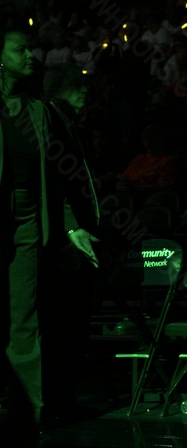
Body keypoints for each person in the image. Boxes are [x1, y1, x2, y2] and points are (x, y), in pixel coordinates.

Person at [0, 28, 98, 445]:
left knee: (24, 319)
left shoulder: (37, 111)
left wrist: (72, 224)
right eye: (21, 49)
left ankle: (28, 412)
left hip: (26, 222)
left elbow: (53, 180)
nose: (31, 56)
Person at [40, 62, 101, 426]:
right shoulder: (49, 119)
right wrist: (70, 227)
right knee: (62, 325)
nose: (84, 90)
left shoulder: (66, 122)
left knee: (72, 325)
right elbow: (52, 182)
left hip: (76, 236)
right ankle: (54, 402)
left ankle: (63, 399)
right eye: (76, 84)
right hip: (65, 242)